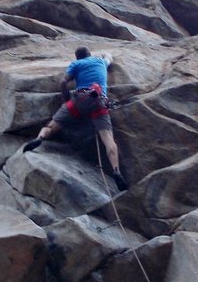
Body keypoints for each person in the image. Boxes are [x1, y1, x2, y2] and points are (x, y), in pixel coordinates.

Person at [23, 46, 128, 191]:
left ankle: (40, 138)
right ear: (90, 54)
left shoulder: (76, 64)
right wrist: (106, 55)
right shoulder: (100, 62)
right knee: (108, 140)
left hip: (79, 102)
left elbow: (63, 82)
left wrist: (66, 99)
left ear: (77, 57)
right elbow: (109, 58)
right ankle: (116, 170)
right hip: (99, 104)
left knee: (51, 126)